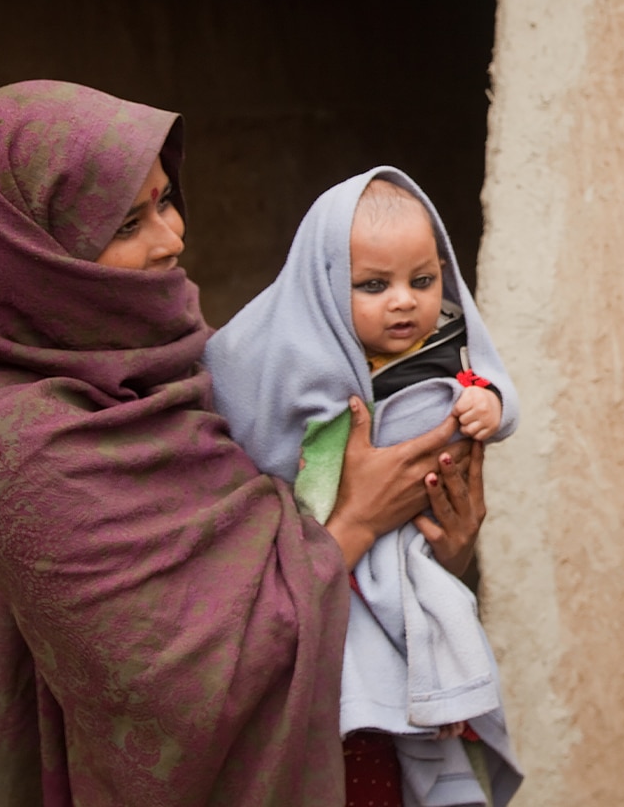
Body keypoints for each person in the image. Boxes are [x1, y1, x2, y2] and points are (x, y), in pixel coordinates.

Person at [0, 80, 479, 806]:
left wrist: (440, 549)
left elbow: (294, 541)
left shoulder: (184, 365)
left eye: (164, 199)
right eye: (127, 224)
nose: (172, 237)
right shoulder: (26, 453)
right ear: (34, 253)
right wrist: (358, 523)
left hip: (363, 749)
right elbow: (171, 690)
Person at [202, 167, 522, 807]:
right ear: (322, 286)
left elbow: (484, 397)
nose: (404, 301)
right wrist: (345, 511)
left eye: (422, 281)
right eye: (374, 285)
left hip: (404, 577)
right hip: (302, 662)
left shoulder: (441, 347)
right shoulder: (268, 372)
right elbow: (259, 509)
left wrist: (483, 415)